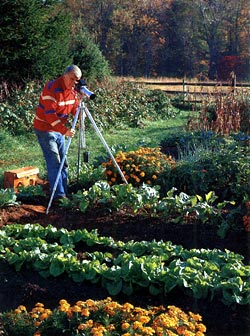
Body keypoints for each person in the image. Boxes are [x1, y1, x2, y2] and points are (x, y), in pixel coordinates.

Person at [34, 64, 82, 202]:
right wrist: (65, 130)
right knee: (55, 162)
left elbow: (74, 107)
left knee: (63, 163)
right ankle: (59, 196)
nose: (74, 83)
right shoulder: (52, 89)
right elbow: (50, 116)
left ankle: (64, 191)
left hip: (59, 131)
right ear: (65, 75)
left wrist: (79, 114)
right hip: (45, 129)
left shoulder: (72, 91)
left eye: (77, 80)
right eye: (72, 79)